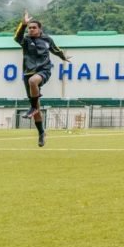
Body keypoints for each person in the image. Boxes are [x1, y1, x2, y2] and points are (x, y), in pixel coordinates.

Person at [14, 11, 71, 147]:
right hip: (28, 73)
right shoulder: (26, 40)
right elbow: (17, 37)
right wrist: (23, 24)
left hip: (43, 71)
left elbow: (55, 50)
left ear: (40, 29)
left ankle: (33, 107)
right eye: (30, 28)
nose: (31, 30)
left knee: (33, 81)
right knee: (37, 108)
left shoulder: (47, 39)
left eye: (34, 28)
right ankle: (41, 133)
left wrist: (64, 57)